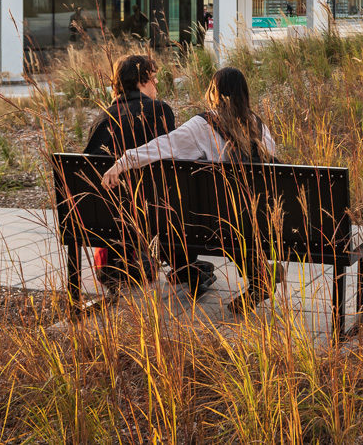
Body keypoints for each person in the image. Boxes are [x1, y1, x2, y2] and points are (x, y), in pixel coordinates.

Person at [101, 66, 280, 315]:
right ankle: (260, 271)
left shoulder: (202, 125)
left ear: (213, 93)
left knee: (221, 214)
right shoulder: (258, 125)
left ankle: (257, 273)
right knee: (240, 217)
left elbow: (162, 146)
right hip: (262, 221)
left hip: (217, 225)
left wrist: (123, 162)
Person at [83, 54, 210, 296]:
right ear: (141, 81)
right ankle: (185, 267)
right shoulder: (159, 110)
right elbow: (173, 166)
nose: (156, 86)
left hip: (107, 226)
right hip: (155, 221)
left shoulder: (102, 118)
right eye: (153, 80)